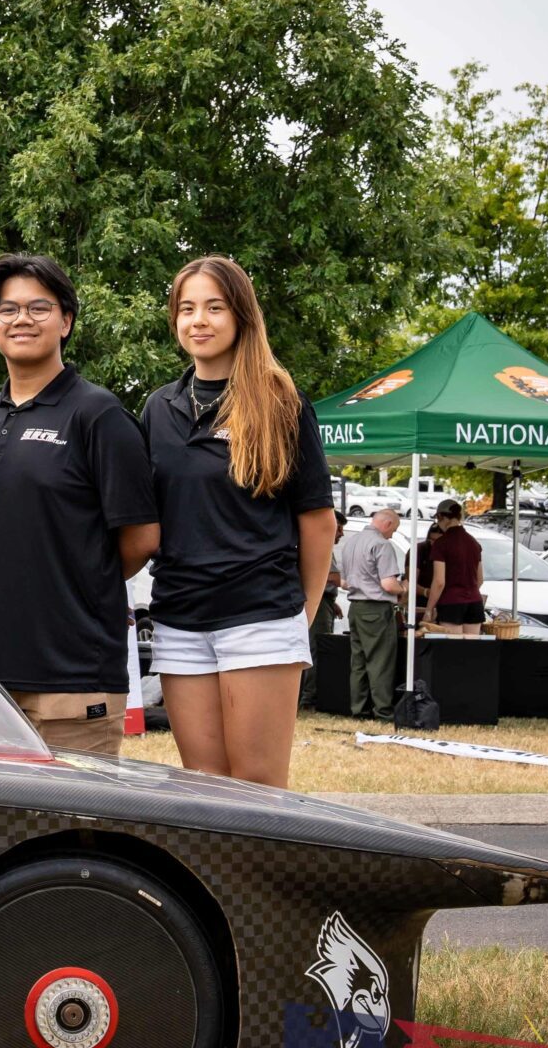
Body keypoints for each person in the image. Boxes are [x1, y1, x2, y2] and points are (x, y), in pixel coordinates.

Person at [140, 257, 336, 787]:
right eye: (186, 308)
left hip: (259, 618)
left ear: (242, 316)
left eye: (213, 307)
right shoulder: (158, 408)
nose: (198, 320)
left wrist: (301, 614)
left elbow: (318, 521)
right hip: (179, 619)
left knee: (256, 788)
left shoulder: (280, 401)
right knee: (203, 787)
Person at [0, 254, 158, 755]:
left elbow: (141, 539)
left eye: (39, 307)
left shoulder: (99, 415)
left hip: (74, 678)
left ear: (66, 321)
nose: (22, 319)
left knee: (75, 830)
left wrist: (78, 582)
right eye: (7, 309)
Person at [339, 505, 409, 721]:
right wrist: (404, 589)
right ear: (386, 524)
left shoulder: (350, 542)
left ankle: (359, 709)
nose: (392, 534)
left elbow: (344, 582)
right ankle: (382, 711)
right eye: (393, 530)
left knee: (358, 662)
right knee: (380, 661)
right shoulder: (381, 544)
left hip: (356, 608)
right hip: (377, 609)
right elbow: (388, 584)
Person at [302, 509, 347, 709]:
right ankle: (309, 698)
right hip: (318, 604)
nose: (341, 534)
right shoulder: (322, 545)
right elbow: (335, 578)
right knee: (316, 650)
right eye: (339, 529)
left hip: (322, 600)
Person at [423, 499, 484, 635]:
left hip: (451, 603)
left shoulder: (441, 544)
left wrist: (429, 610)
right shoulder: (474, 543)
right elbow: (480, 579)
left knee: (453, 650)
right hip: (475, 602)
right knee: (472, 649)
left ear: (441, 517)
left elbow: (439, 582)